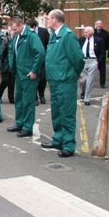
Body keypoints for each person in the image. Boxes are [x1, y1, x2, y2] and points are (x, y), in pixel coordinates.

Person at [40, 9, 85, 158]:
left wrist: (74, 73)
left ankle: (68, 144)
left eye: (48, 18)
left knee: (67, 113)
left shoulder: (67, 35)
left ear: (54, 19)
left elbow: (78, 58)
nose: (47, 21)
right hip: (55, 80)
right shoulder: (55, 35)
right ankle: (58, 139)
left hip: (65, 81)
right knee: (57, 113)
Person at [7, 18, 45, 138]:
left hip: (28, 74)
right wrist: (11, 64)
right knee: (19, 99)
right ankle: (19, 123)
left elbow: (40, 53)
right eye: (12, 29)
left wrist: (34, 70)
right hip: (19, 73)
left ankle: (27, 127)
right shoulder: (16, 36)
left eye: (15, 29)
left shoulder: (31, 36)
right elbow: (11, 51)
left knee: (28, 101)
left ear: (21, 25)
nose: (13, 31)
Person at [78, 26, 105, 106]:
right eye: (84, 32)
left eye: (86, 32)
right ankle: (83, 91)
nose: (84, 33)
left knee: (90, 81)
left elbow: (102, 53)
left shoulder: (98, 40)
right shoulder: (81, 40)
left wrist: (97, 61)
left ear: (91, 32)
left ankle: (87, 98)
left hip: (93, 61)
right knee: (82, 80)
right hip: (83, 61)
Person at [29, 18, 49, 104]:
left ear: (34, 26)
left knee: (43, 79)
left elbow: (48, 43)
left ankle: (41, 95)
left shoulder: (44, 31)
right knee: (34, 78)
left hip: (43, 58)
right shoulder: (29, 33)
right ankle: (35, 98)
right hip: (32, 59)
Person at [0, 29, 15, 104]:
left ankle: (11, 98)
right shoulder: (6, 40)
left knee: (12, 82)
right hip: (5, 64)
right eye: (13, 30)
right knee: (5, 81)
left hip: (14, 64)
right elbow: (1, 53)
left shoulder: (18, 39)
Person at [94, 20, 109, 88]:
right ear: (95, 25)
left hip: (102, 53)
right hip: (93, 53)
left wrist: (104, 49)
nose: (99, 25)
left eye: (100, 24)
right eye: (98, 24)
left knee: (102, 70)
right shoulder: (93, 32)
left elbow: (108, 42)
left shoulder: (105, 33)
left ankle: (102, 83)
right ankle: (90, 82)